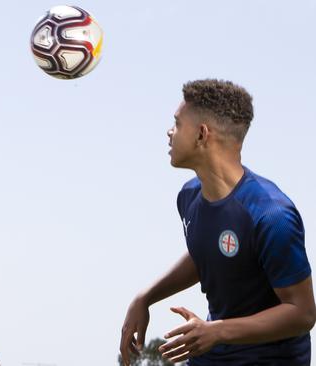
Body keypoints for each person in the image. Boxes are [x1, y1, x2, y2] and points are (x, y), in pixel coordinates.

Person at [119, 79, 315, 365]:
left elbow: (302, 313)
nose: (169, 131)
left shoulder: (272, 216)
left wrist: (218, 330)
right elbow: (208, 252)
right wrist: (145, 297)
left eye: (177, 123)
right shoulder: (189, 196)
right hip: (212, 354)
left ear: (202, 135)